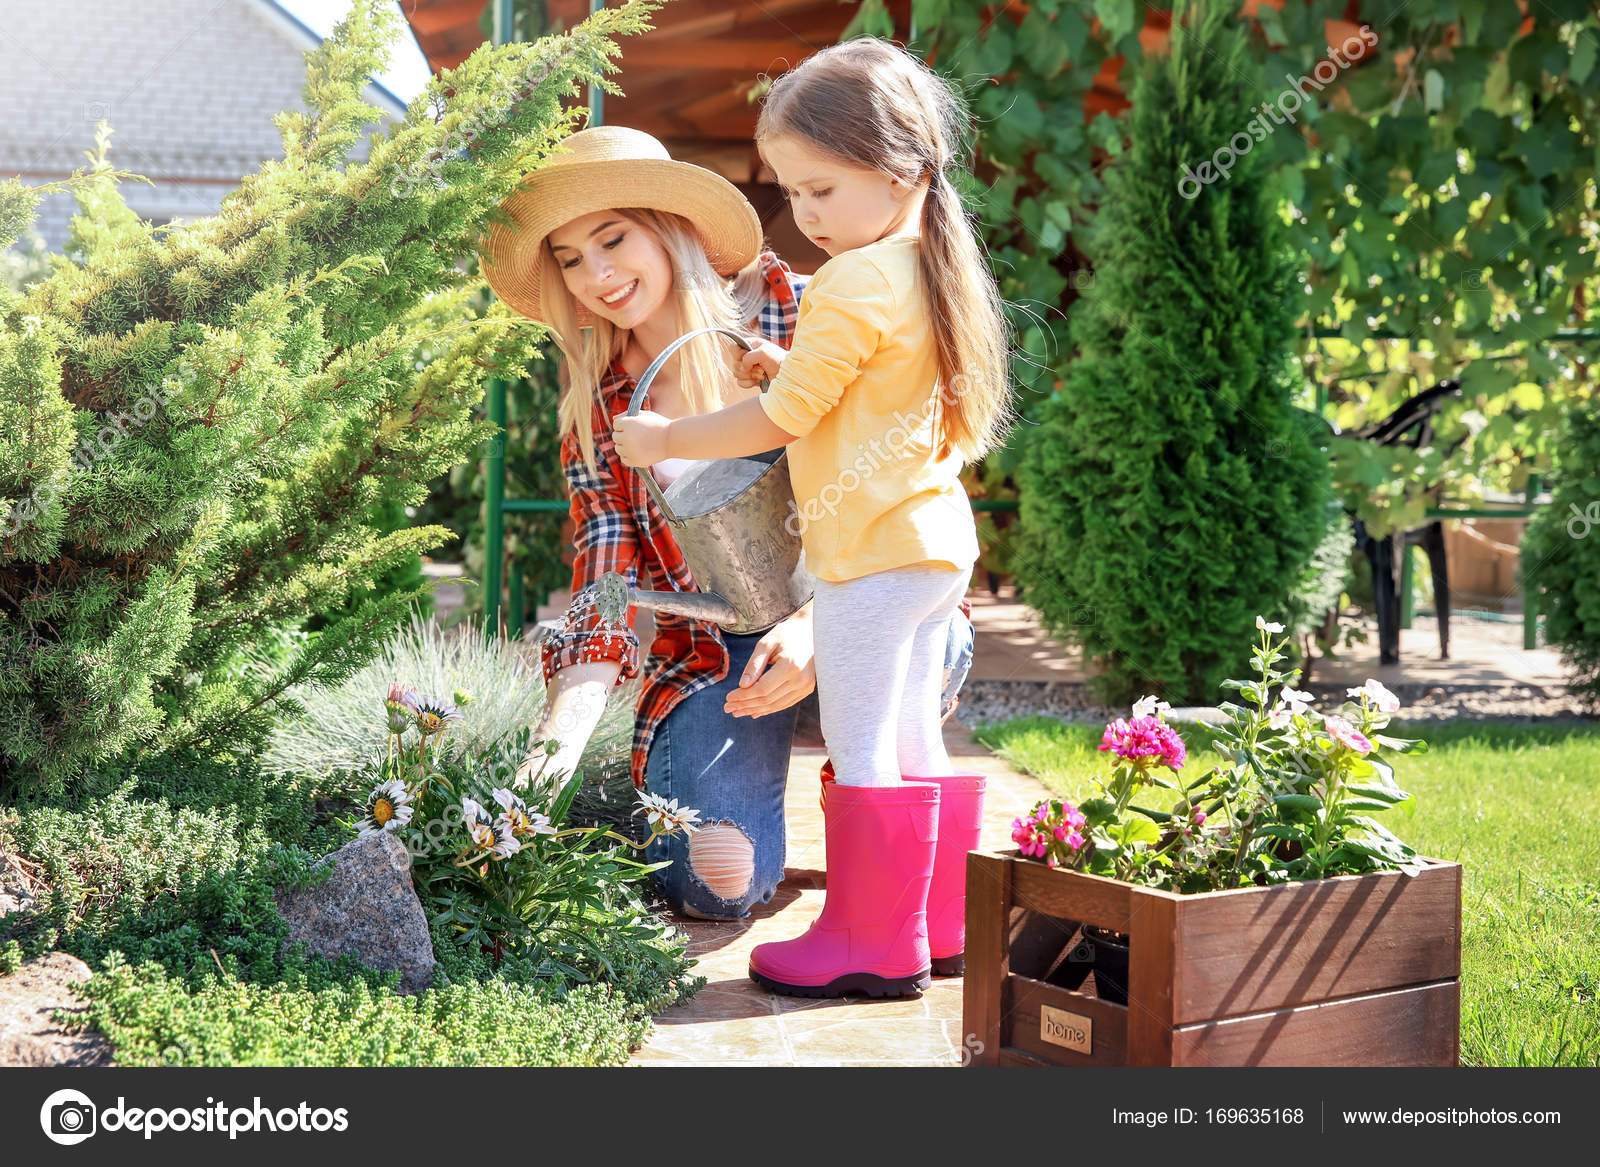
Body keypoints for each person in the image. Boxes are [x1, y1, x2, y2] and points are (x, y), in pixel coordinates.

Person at [479, 125, 973, 923]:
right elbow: (605, 589)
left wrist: (819, 626)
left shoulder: (800, 312)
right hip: (722, 653)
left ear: (666, 228)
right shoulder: (600, 410)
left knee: (921, 651)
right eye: (570, 259)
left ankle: (877, 871)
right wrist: (553, 751)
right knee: (714, 881)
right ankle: (793, 789)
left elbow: (915, 470)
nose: (597, 275)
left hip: (866, 592)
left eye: (613, 238)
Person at [613, 39, 1013, 997]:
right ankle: (938, 923)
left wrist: (671, 432)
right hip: (933, 550)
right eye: (793, 193)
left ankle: (868, 945)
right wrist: (774, 362)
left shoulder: (847, 281)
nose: (808, 215)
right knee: (920, 733)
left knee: (864, 739)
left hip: (870, 559)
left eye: (824, 189)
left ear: (904, 167)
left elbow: (786, 420)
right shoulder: (925, 268)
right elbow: (847, 394)